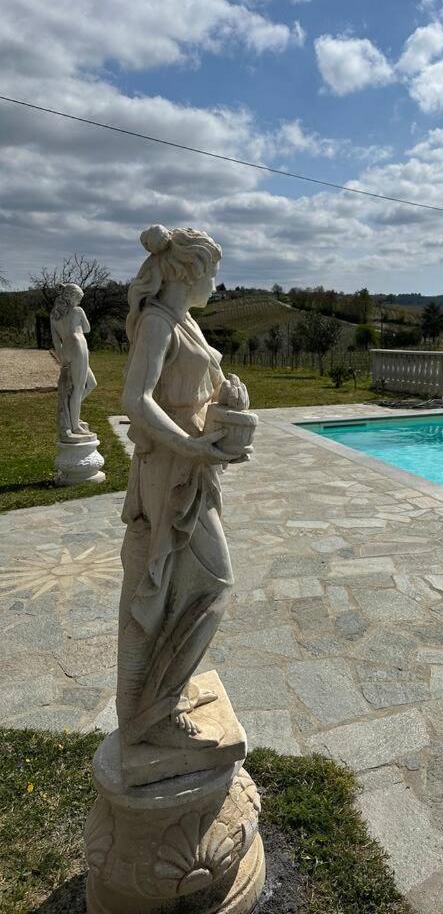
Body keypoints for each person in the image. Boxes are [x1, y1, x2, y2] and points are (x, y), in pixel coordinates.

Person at [117, 225, 248, 751]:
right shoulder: (157, 322)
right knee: (212, 583)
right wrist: (190, 446)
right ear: (190, 273)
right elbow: (136, 399)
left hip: (191, 465)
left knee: (183, 584)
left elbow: (194, 389)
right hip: (171, 468)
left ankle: (166, 692)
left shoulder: (184, 322)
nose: (216, 285)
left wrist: (228, 402)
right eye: (213, 274)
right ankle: (155, 713)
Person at [50, 283, 96, 439]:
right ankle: (75, 426)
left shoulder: (54, 315)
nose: (79, 302)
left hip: (66, 350)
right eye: (78, 298)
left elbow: (56, 340)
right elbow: (87, 329)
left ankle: (71, 414)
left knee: (92, 383)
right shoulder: (78, 311)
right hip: (78, 346)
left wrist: (61, 356)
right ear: (72, 297)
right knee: (78, 388)